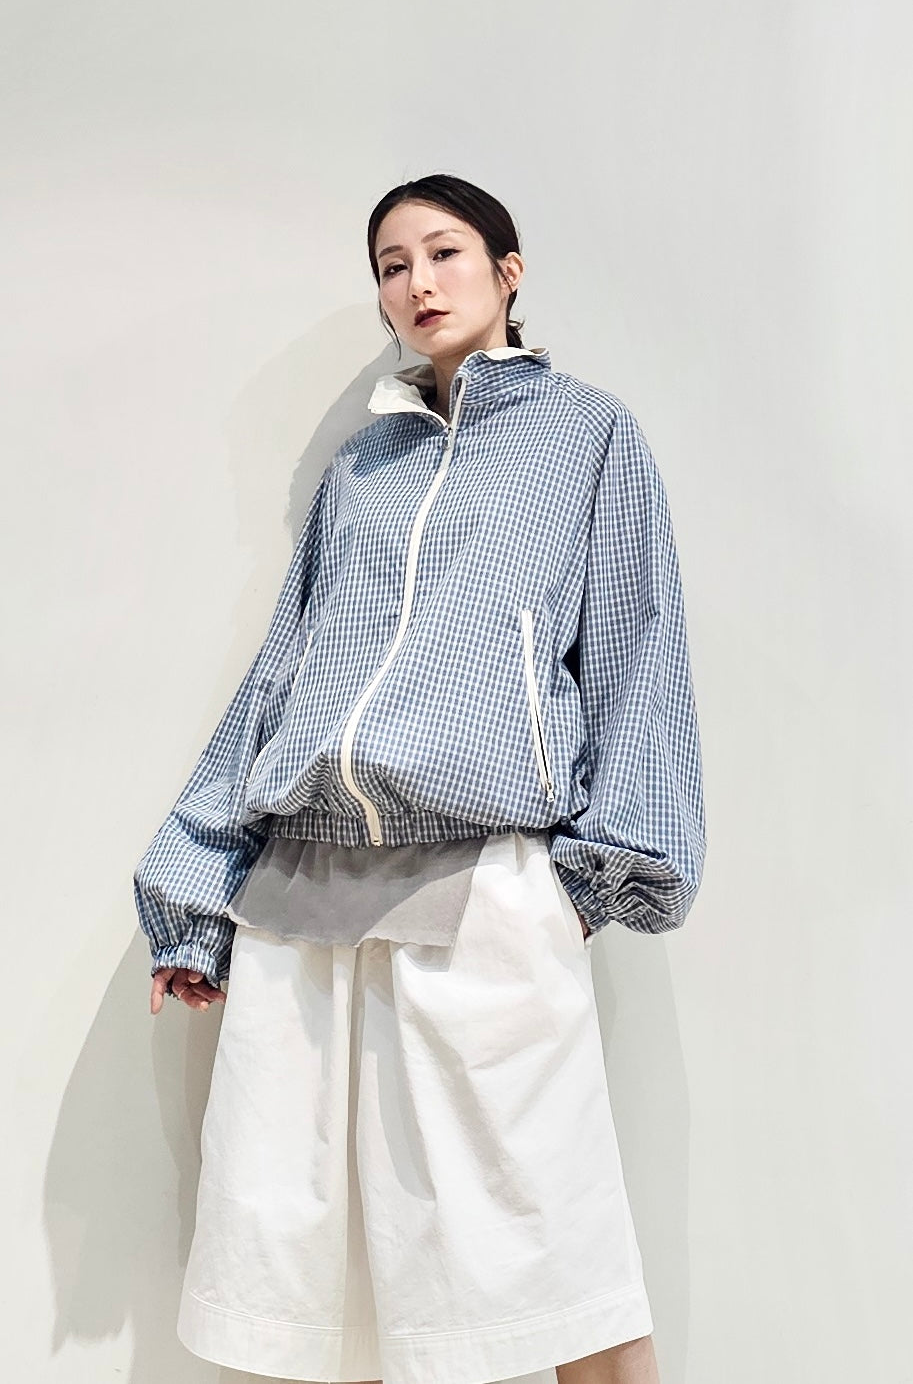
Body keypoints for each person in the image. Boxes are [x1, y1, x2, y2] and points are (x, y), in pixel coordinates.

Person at [134, 173, 706, 1384]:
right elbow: (283, 675)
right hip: (303, 899)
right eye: (391, 265)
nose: (417, 283)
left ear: (508, 269)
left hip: (482, 888)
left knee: (554, 1249)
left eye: (443, 252)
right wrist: (196, 897)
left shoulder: (587, 436)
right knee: (316, 1272)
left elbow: (635, 651)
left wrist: (592, 881)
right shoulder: (361, 468)